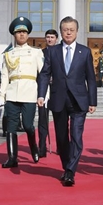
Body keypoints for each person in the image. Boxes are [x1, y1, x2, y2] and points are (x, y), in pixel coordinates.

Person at [38, 17, 97, 186]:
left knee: (76, 136)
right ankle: (66, 166)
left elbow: (91, 79)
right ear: (61, 31)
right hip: (58, 99)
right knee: (62, 138)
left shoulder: (84, 52)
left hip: (79, 101)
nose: (69, 32)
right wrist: (41, 94)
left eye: (72, 29)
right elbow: (44, 74)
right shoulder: (52, 51)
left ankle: (71, 171)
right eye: (65, 29)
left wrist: (92, 101)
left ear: (77, 31)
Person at [0, 16, 44, 168]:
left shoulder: (36, 52)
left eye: (24, 32)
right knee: (11, 126)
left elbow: (43, 75)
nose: (22, 35)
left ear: (28, 34)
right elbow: (5, 76)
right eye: (19, 32)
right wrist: (1, 95)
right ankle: (12, 158)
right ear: (14, 35)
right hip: (12, 93)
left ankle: (34, 148)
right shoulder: (8, 54)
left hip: (29, 93)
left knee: (28, 125)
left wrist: (44, 94)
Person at [38, 29, 58, 157]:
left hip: (57, 90)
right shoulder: (40, 53)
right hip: (44, 91)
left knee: (60, 121)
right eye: (48, 37)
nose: (50, 39)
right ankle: (42, 147)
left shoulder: (60, 52)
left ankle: (62, 146)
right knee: (42, 120)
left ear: (56, 39)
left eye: (52, 37)